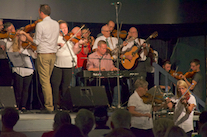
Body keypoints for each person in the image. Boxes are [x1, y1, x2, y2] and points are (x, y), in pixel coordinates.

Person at [19, 4, 59, 113]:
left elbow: (36, 42)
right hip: (53, 55)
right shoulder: (56, 24)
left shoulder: (41, 25)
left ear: (40, 12)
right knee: (47, 80)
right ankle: (50, 105)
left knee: (45, 81)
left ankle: (49, 107)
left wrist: (25, 34)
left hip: (44, 55)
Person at [51, 20, 84, 110]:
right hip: (57, 63)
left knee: (66, 85)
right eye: (62, 28)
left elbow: (75, 51)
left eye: (65, 28)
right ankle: (55, 104)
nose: (64, 30)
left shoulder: (71, 38)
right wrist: (57, 45)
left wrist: (78, 44)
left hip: (69, 63)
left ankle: (64, 105)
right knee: (56, 84)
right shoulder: (55, 38)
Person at [3, 22, 36, 112]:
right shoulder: (13, 46)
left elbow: (35, 56)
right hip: (18, 70)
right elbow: (9, 54)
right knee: (18, 88)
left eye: (24, 35)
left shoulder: (28, 46)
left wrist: (33, 50)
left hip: (28, 71)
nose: (23, 37)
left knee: (26, 89)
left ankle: (24, 106)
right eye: (21, 35)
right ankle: (17, 105)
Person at [87, 40, 119, 106]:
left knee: (119, 84)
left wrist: (113, 68)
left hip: (107, 78)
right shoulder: (91, 56)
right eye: (103, 48)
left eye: (106, 48)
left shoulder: (108, 56)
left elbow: (111, 65)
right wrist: (99, 69)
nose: (105, 50)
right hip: (97, 79)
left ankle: (114, 104)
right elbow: (89, 69)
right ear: (98, 47)